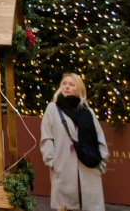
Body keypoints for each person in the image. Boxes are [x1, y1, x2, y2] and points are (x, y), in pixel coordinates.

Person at [40, 73, 107, 211]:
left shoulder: (87, 111)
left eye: (71, 84)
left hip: (89, 167)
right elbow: (46, 138)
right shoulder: (53, 108)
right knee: (66, 206)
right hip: (63, 167)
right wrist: (52, 162)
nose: (67, 87)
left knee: (90, 205)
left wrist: (102, 163)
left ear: (78, 88)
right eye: (64, 84)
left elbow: (99, 137)